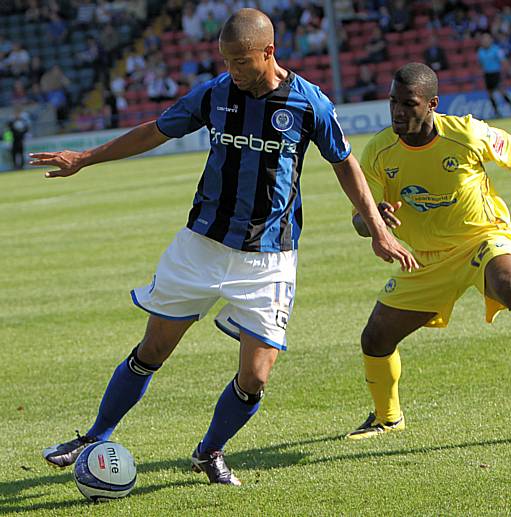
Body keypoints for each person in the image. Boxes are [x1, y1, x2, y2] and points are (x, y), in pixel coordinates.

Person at [34, 8, 417, 486]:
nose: (234, 70)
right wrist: (86, 158)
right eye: (227, 60)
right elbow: (157, 129)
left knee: (256, 376)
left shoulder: (308, 103)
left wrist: (379, 232)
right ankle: (94, 436)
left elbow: (344, 163)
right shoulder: (215, 93)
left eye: (242, 61)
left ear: (269, 51)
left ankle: (209, 450)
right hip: (201, 244)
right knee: (153, 348)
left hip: (269, 256)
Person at [345, 63, 511, 440]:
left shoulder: (464, 133)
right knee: (375, 338)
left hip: (483, 239)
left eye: (409, 104)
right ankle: (388, 418)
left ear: (432, 104)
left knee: (509, 283)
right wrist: (373, 218)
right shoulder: (379, 151)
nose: (398, 112)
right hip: (426, 259)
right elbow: (358, 218)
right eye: (392, 102)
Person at [477, 32, 511, 118]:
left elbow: (503, 61)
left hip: (496, 74)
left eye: (487, 39)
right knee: (490, 94)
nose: (485, 41)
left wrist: (509, 70)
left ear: (490, 40)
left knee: (502, 92)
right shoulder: (480, 52)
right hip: (487, 75)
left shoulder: (496, 49)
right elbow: (480, 64)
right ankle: (497, 112)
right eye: (483, 39)